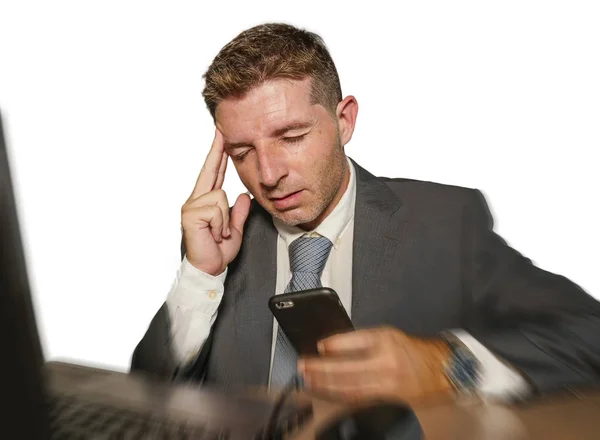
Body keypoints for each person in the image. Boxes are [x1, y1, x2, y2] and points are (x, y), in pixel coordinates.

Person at [131, 23, 600, 410]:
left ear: (345, 120)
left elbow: (587, 333)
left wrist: (446, 366)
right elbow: (143, 398)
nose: (268, 174)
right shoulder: (221, 245)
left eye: (291, 136)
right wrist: (200, 275)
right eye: (242, 152)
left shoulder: (444, 224)